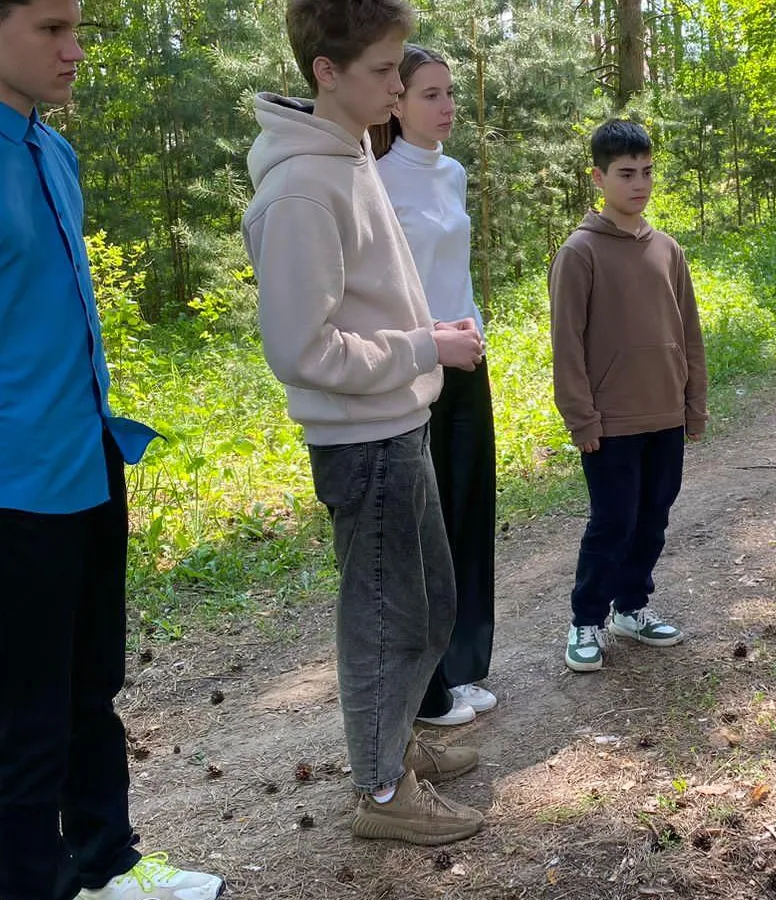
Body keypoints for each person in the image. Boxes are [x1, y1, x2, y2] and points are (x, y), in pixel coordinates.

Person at [0, 0, 224, 897]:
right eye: (53, 29)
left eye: (79, 28)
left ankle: (108, 865)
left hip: (87, 460)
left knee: (89, 689)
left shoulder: (52, 150)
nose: (75, 50)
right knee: (25, 718)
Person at [240, 0, 486, 845]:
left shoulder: (347, 157)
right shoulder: (304, 186)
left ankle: (396, 745)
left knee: (427, 602)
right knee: (383, 617)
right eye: (385, 70)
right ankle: (382, 794)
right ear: (327, 73)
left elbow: (371, 295)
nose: (398, 82)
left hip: (395, 420)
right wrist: (425, 346)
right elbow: (304, 350)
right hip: (361, 439)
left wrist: (429, 340)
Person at [370, 45, 499, 728]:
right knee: (431, 523)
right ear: (395, 102)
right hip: (416, 364)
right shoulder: (377, 180)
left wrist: (474, 334)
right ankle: (433, 680)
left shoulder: (451, 174)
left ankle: (468, 664)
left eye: (450, 93)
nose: (447, 106)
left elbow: (459, 270)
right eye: (429, 94)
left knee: (473, 509)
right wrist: (427, 344)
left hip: (467, 359)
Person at [550, 119, 708, 673]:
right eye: (625, 174)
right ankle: (585, 621)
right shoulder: (580, 253)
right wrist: (582, 419)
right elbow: (566, 344)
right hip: (611, 421)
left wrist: (694, 404)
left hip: (665, 412)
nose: (638, 183)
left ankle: (631, 607)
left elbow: (688, 331)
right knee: (612, 521)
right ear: (598, 177)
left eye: (646, 172)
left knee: (653, 517)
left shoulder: (668, 250)